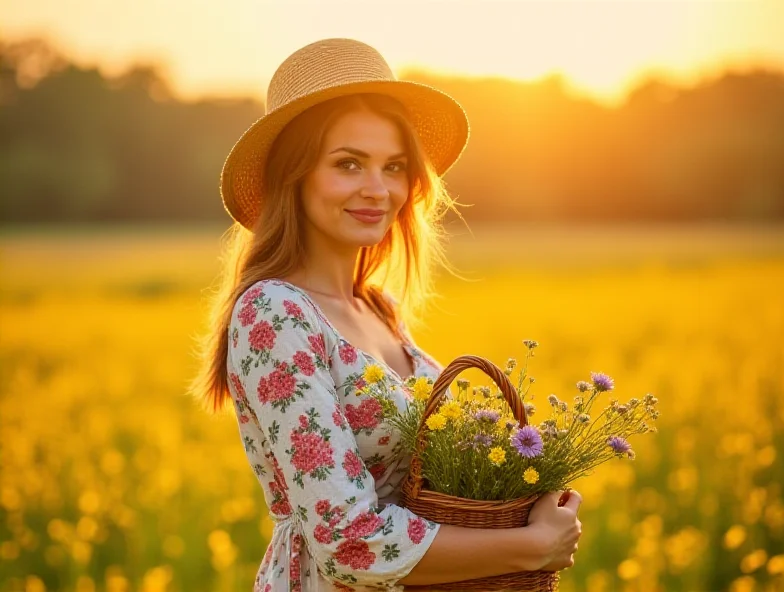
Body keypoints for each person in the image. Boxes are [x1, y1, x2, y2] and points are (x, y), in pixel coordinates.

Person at [193, 38, 582, 592]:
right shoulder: (274, 314)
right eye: (349, 164)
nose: (378, 190)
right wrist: (532, 547)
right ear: (293, 175)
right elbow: (349, 543)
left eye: (394, 166)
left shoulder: (378, 307)